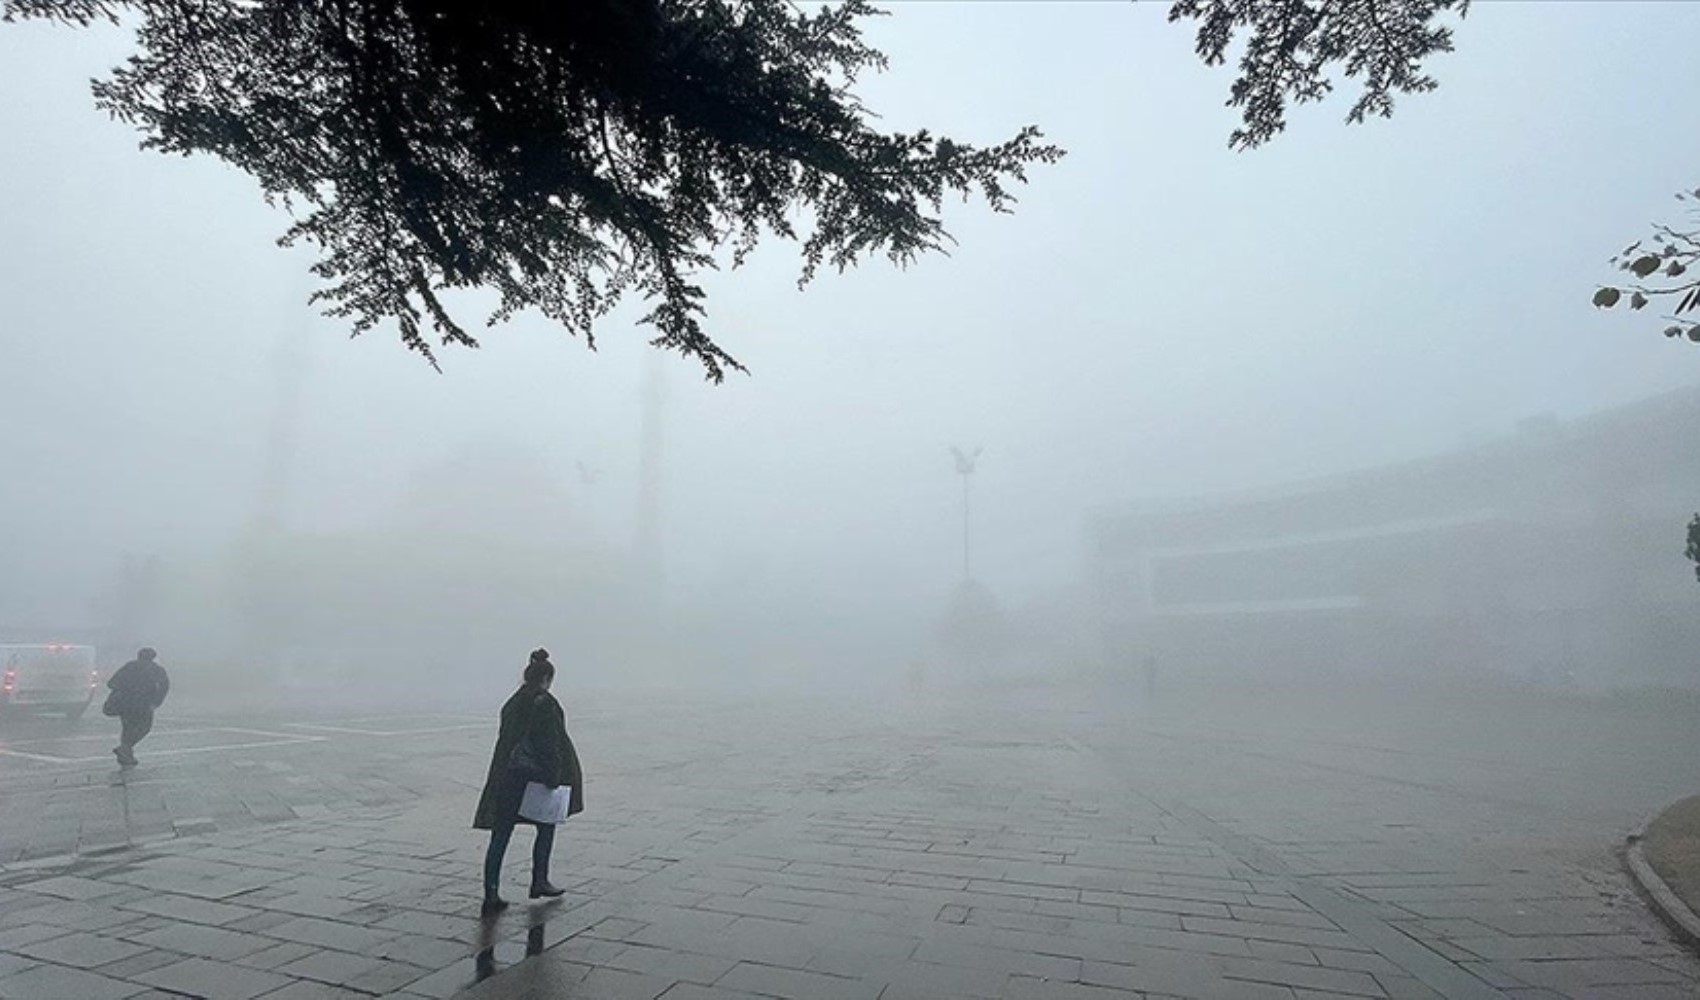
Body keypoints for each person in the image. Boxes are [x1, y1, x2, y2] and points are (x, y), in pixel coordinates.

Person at [473, 648, 583, 914]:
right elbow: (550, 743)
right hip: (533, 778)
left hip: (508, 777)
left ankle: (491, 892)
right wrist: (554, 776)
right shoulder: (545, 703)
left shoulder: (513, 702)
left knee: (501, 835)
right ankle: (539, 879)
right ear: (546, 677)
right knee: (546, 825)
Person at [105, 647, 170, 768]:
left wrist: (125, 689)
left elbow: (111, 683)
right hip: (144, 705)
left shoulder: (128, 667)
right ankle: (126, 750)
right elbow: (164, 687)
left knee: (127, 728)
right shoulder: (157, 670)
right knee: (144, 728)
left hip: (125, 704)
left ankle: (126, 753)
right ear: (153, 657)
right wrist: (156, 702)